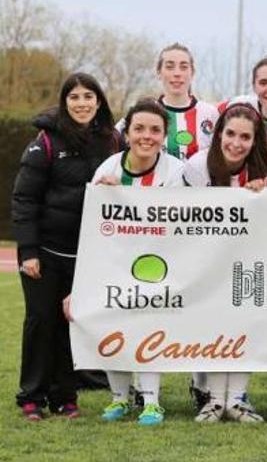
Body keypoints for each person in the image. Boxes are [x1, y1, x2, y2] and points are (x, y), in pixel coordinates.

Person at [12, 73, 122, 421]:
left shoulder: (113, 141)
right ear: (65, 102)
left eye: (88, 96)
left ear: (99, 101)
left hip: (88, 256)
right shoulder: (45, 142)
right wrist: (28, 252)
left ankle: (65, 397)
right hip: (44, 252)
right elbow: (24, 199)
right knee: (40, 322)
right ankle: (32, 396)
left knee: (71, 326)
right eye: (74, 97)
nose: (82, 103)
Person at [183, 102, 267, 423]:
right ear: (218, 133)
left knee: (244, 328)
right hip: (205, 263)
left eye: (245, 137)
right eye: (230, 134)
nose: (236, 143)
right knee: (208, 327)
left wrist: (264, 197)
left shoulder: (265, 176)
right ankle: (211, 397)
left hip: (248, 265)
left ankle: (237, 399)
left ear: (256, 141)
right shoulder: (197, 167)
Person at [90, 98, 185, 426]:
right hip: (114, 262)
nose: (147, 136)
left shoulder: (175, 170)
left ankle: (151, 402)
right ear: (127, 133)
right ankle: (120, 398)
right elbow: (94, 223)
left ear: (165, 135)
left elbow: (178, 221)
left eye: (156, 130)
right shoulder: (108, 168)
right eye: (139, 128)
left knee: (148, 328)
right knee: (114, 327)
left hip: (159, 262)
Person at [116, 43, 219, 161]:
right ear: (159, 72)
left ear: (192, 73)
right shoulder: (142, 113)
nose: (177, 73)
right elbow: (113, 141)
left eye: (184, 67)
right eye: (170, 67)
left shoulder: (210, 113)